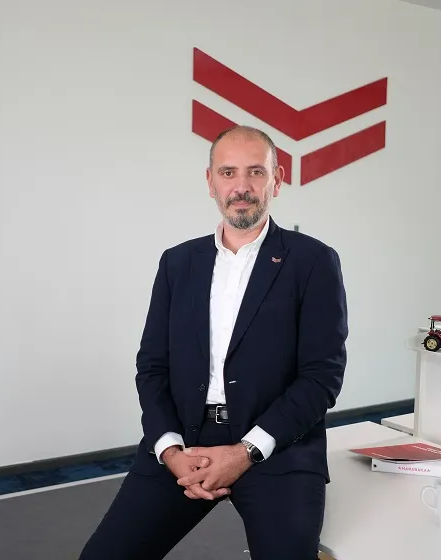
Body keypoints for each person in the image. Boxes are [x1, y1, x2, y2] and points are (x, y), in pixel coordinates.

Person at [78, 125, 348, 559]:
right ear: (210, 182)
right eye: (228, 173)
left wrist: (246, 451)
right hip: (185, 441)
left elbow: (322, 377)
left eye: (255, 172)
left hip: (277, 443)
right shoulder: (178, 262)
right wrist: (170, 450)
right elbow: (153, 366)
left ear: (277, 180)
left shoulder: (313, 260)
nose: (241, 187)